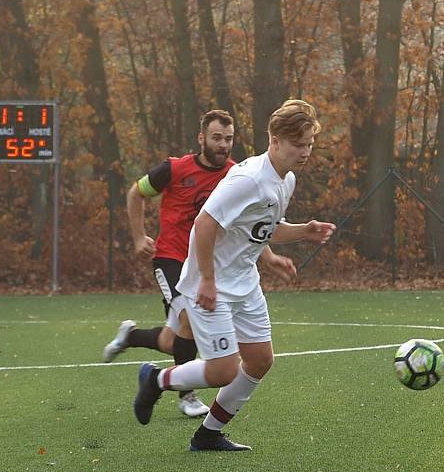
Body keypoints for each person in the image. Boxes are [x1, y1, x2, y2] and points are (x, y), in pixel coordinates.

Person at [132, 99, 335, 451]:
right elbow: (205, 223)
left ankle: (208, 435)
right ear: (274, 139)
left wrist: (302, 231)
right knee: (224, 369)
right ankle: (156, 378)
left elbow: (263, 227)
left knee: (259, 361)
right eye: (298, 145)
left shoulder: (285, 179)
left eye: (309, 145)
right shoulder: (247, 178)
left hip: (244, 282)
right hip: (210, 284)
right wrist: (207, 279)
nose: (305, 152)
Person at [103, 109, 291, 417]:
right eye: (217, 138)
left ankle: (131, 337)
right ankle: (186, 394)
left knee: (170, 340)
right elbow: (136, 193)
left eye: (229, 139)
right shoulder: (174, 169)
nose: (223, 145)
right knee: (189, 320)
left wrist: (268, 256)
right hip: (173, 259)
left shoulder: (237, 173)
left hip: (208, 263)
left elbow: (249, 225)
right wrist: (139, 237)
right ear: (201, 138)